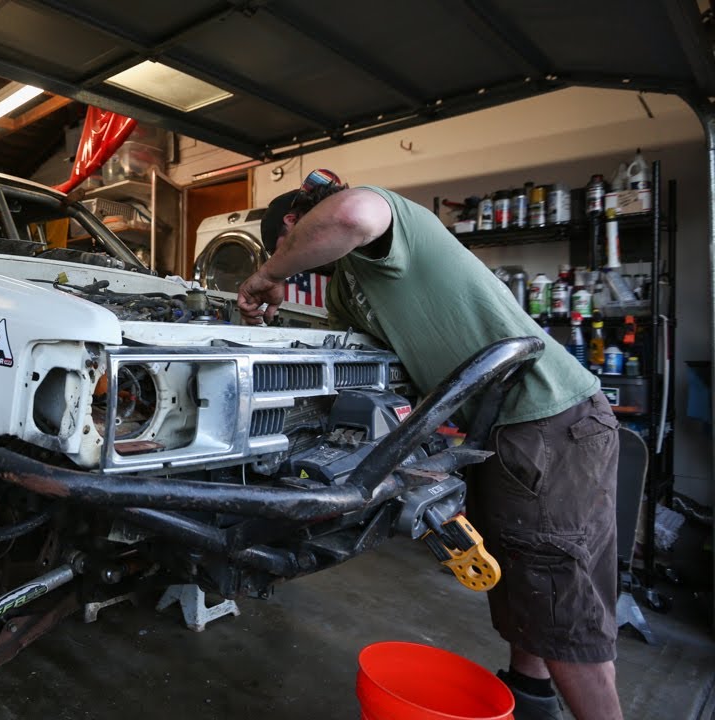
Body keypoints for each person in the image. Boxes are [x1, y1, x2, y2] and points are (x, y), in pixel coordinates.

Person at [238, 171, 622, 720]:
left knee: (561, 603)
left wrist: (270, 273)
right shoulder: (350, 285)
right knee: (523, 580)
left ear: (294, 226)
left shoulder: (392, 221)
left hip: (547, 420)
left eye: (281, 245)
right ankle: (532, 697)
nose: (290, 261)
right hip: (504, 429)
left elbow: (350, 216)